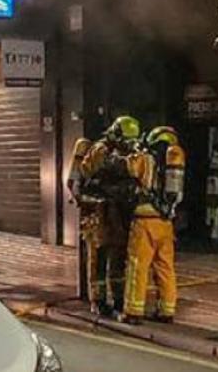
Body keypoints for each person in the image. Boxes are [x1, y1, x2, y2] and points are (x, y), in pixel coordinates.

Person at [75, 115, 142, 317]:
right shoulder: (100, 150)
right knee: (98, 257)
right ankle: (99, 300)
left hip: (118, 212)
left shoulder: (130, 154)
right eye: (125, 140)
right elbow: (86, 175)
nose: (129, 145)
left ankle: (119, 299)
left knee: (119, 258)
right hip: (99, 211)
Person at [120, 125, 185, 324]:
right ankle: (167, 310)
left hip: (144, 222)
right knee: (165, 267)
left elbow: (127, 167)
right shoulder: (175, 162)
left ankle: (133, 311)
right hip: (166, 224)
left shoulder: (146, 159)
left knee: (138, 267)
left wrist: (133, 150)